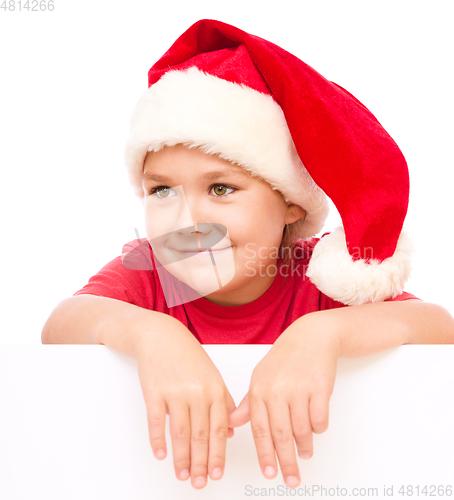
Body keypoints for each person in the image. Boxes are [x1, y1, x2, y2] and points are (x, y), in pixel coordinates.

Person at [41, 19, 454, 491]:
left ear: (290, 201)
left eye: (221, 188)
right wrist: (149, 333)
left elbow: (439, 330)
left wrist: (326, 333)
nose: (186, 220)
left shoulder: (317, 279)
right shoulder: (158, 272)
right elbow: (59, 327)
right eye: (161, 190)